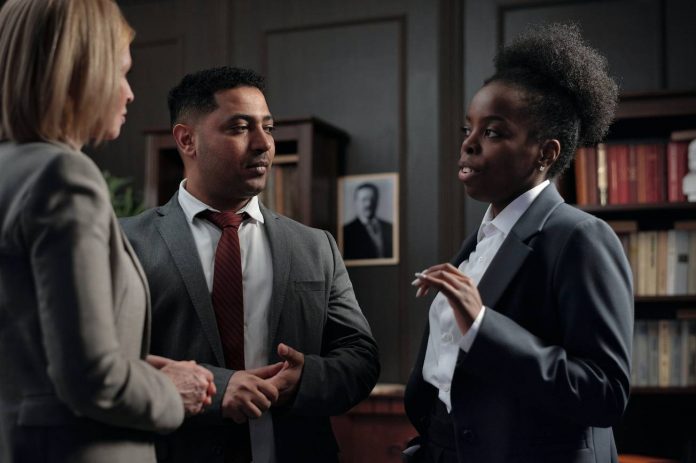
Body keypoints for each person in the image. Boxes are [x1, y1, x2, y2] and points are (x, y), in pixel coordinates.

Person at [121, 66, 380, 463]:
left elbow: (360, 358)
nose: (263, 144)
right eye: (240, 127)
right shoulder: (127, 243)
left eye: (268, 128)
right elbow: (105, 363)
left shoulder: (315, 246)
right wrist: (220, 388)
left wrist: (303, 379)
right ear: (187, 140)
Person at [406, 23, 633, 463]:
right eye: (467, 129)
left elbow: (605, 393)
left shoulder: (582, 238)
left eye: (492, 132)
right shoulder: (480, 241)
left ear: (545, 153)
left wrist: (483, 325)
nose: (468, 145)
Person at [0, 1, 216, 462]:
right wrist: (171, 390)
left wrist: (134, 366)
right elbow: (90, 379)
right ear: (80, 73)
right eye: (122, 73)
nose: (129, 94)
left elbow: (29, 353)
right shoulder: (63, 175)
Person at [343, 182, 394, 259]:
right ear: (356, 202)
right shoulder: (346, 232)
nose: (368, 204)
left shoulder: (390, 228)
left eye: (372, 199)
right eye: (364, 200)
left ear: (377, 200)